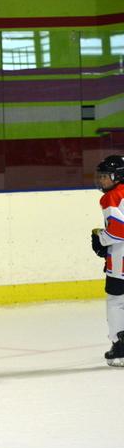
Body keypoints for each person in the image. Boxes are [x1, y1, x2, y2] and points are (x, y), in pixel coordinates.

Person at [92, 154, 124, 367]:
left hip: (120, 261)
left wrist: (100, 239)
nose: (102, 180)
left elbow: (119, 231)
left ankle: (120, 347)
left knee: (116, 301)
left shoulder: (111, 197)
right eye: (101, 176)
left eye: (106, 176)